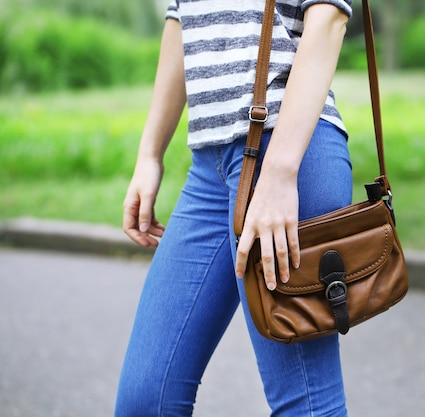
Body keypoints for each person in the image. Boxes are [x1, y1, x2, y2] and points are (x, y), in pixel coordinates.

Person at [115, 0, 354, 415]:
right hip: (209, 166)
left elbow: (329, 15)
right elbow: (181, 18)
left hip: (287, 150)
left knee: (305, 401)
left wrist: (280, 172)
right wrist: (150, 153)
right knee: (146, 400)